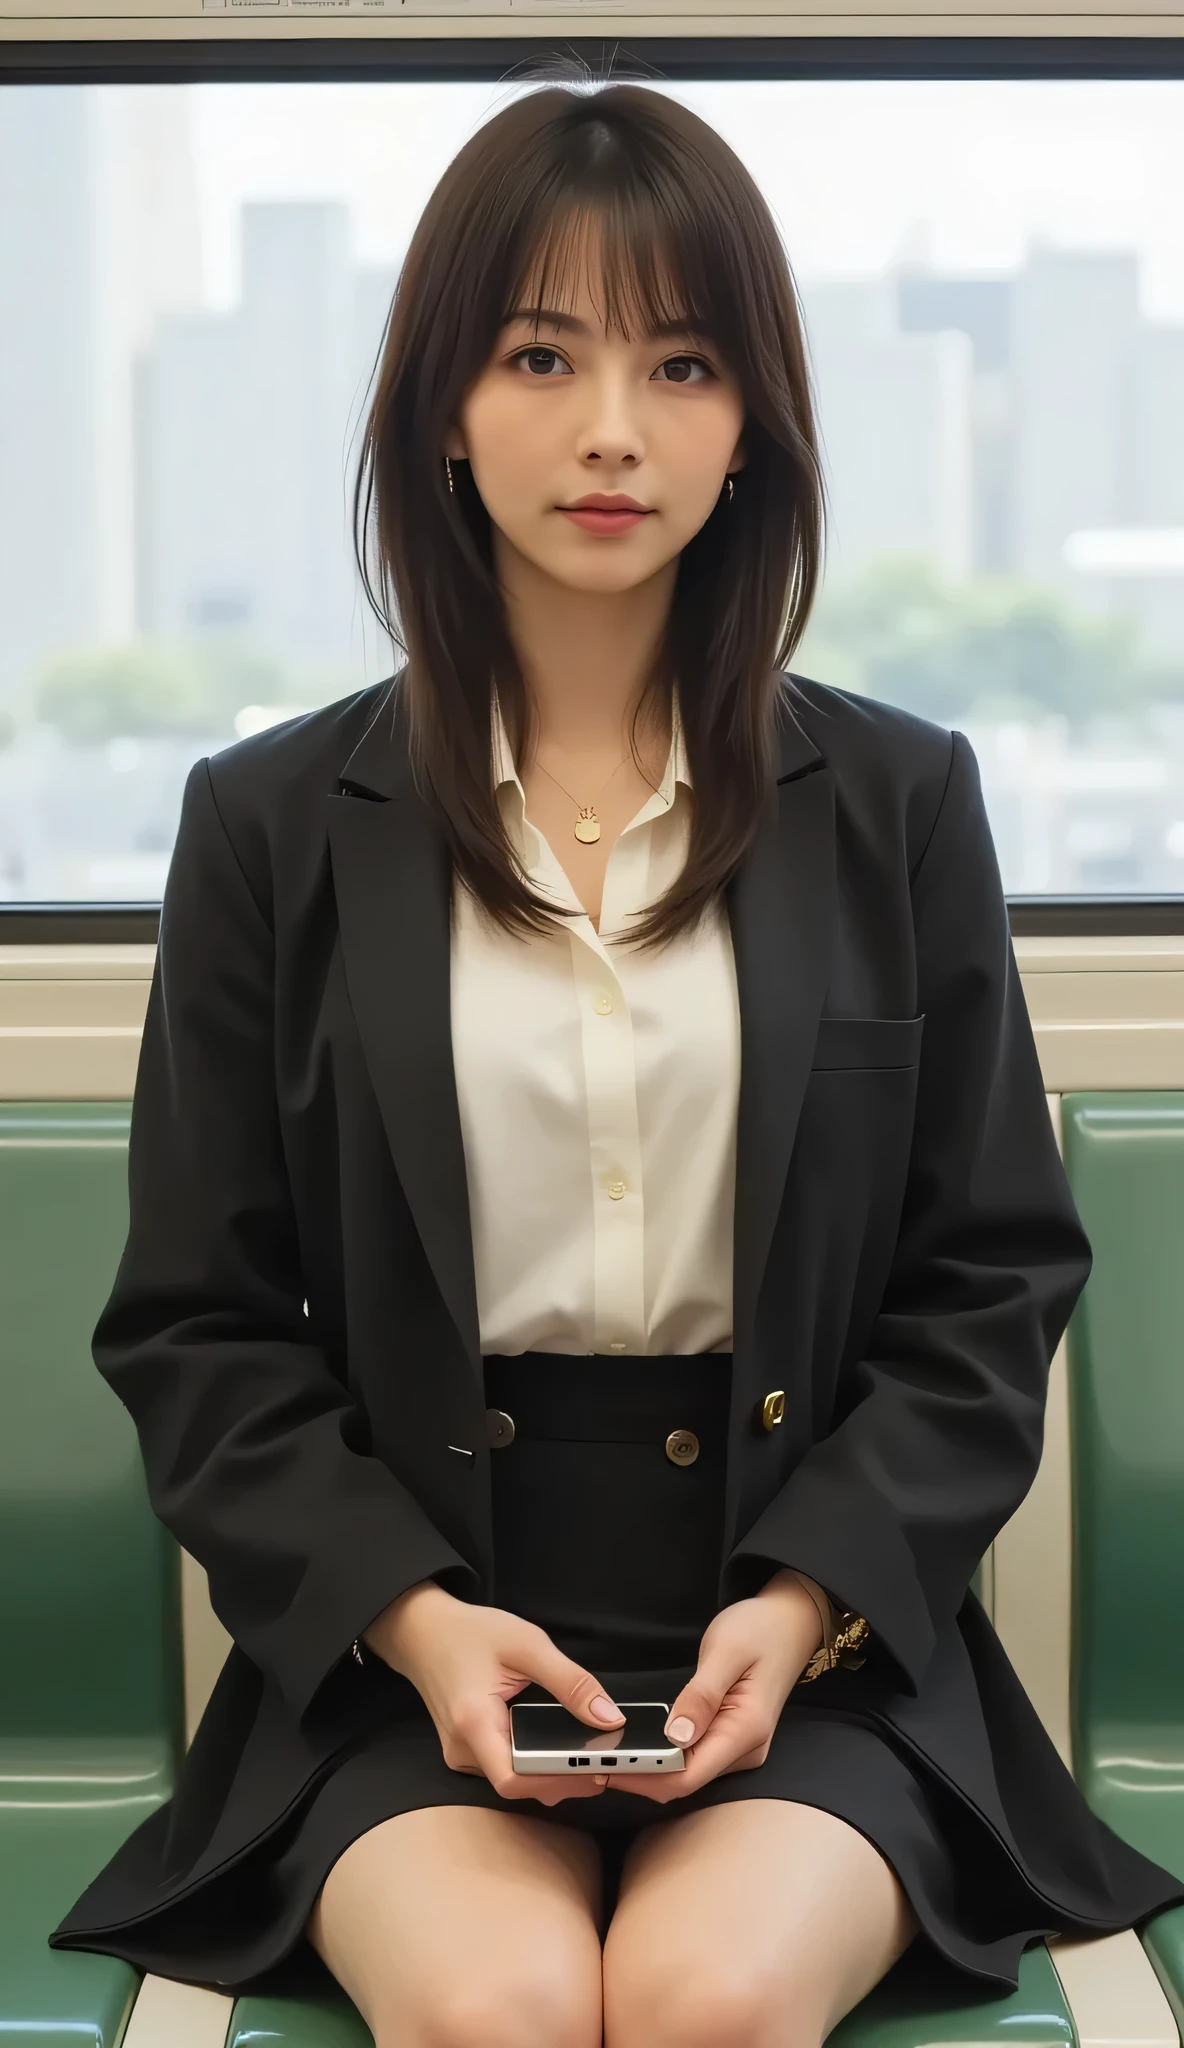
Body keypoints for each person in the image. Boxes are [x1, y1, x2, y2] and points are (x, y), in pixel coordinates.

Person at [51, 68, 1184, 2048]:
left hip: (804, 1626)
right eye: (539, 354)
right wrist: (409, 1618)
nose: (607, 431)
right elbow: (198, 1324)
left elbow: (989, 1278)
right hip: (418, 1625)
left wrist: (800, 1598)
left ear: (752, 423)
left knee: (698, 1996)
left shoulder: (901, 800)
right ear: (440, 409)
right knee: (498, 2005)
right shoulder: (269, 823)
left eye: (678, 363)